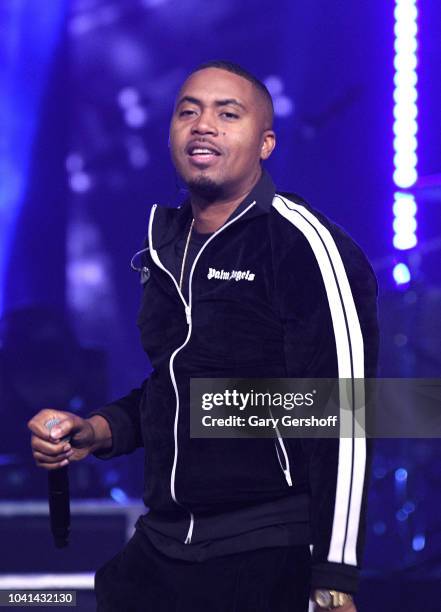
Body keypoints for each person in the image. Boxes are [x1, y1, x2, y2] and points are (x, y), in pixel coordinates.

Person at [28, 60, 379, 611]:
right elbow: (175, 388)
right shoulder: (166, 249)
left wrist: (335, 576)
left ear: (266, 144)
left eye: (227, 113)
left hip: (264, 549)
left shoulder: (302, 245)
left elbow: (347, 415)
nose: (203, 125)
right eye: (188, 112)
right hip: (163, 545)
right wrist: (97, 430)